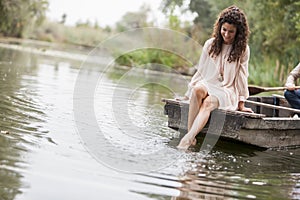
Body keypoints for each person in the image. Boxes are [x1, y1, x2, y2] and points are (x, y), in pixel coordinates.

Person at [177, 5, 253, 150]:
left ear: (238, 32)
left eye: (231, 32)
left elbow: (243, 76)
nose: (226, 34)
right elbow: (201, 71)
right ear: (219, 28)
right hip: (209, 82)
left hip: (227, 89)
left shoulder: (243, 49)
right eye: (224, 30)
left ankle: (188, 138)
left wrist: (241, 102)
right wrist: (189, 94)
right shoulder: (210, 44)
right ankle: (191, 137)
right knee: (197, 91)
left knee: (207, 104)